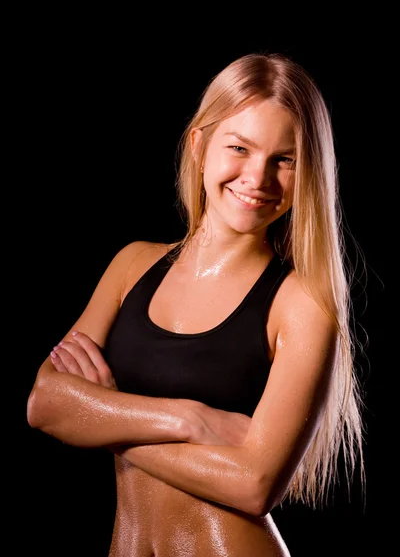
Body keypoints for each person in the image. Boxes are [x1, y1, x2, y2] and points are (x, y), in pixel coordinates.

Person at [27, 52, 366, 557]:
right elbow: (45, 404)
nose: (259, 177)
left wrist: (106, 417)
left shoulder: (301, 303)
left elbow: (255, 485)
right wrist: (190, 419)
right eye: (240, 147)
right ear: (199, 145)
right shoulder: (132, 266)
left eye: (285, 159)